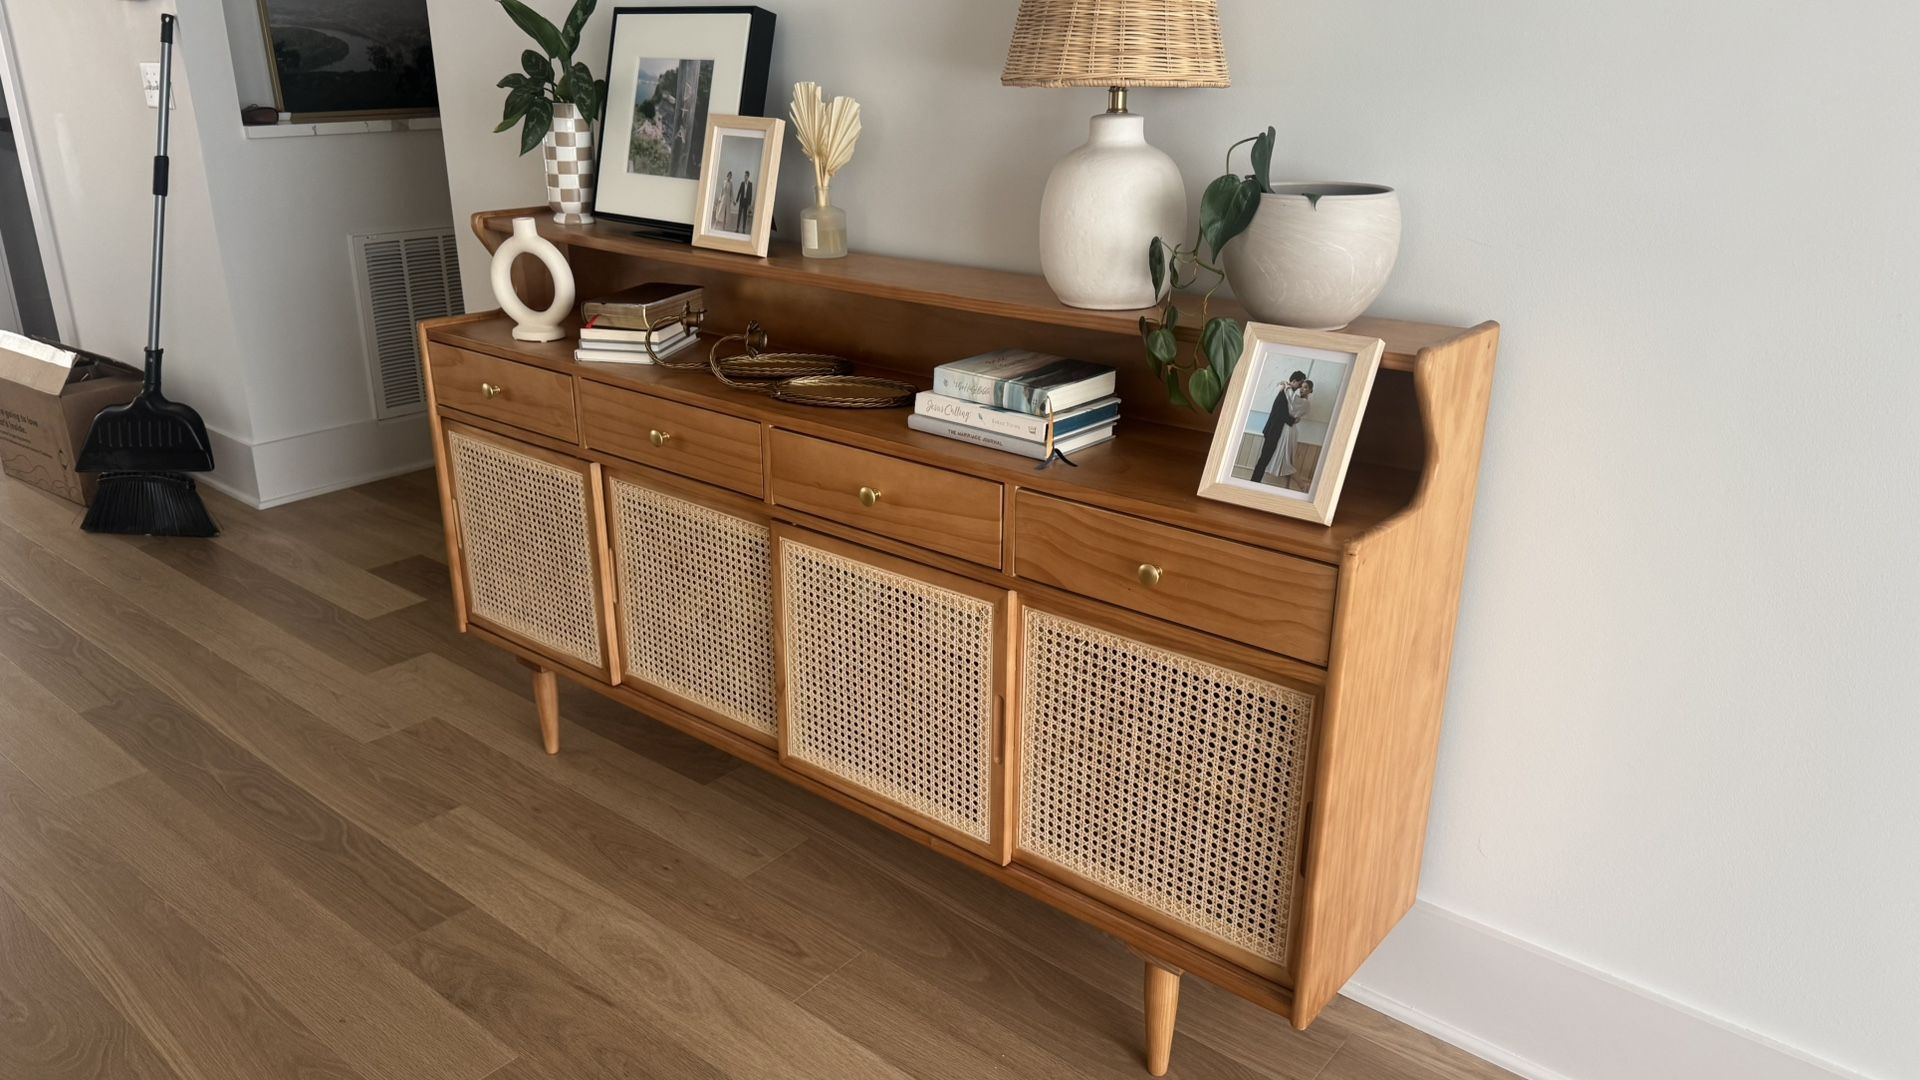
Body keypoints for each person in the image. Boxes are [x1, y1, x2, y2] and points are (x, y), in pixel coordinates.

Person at [1248, 370, 1306, 485]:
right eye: (1300, 383)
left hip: (1275, 431)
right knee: (1264, 459)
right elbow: (1280, 413)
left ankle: (1255, 482)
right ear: (1294, 381)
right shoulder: (1284, 392)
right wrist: (1293, 420)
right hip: (1273, 431)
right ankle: (1254, 482)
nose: (1300, 386)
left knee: (1265, 459)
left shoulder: (1287, 392)